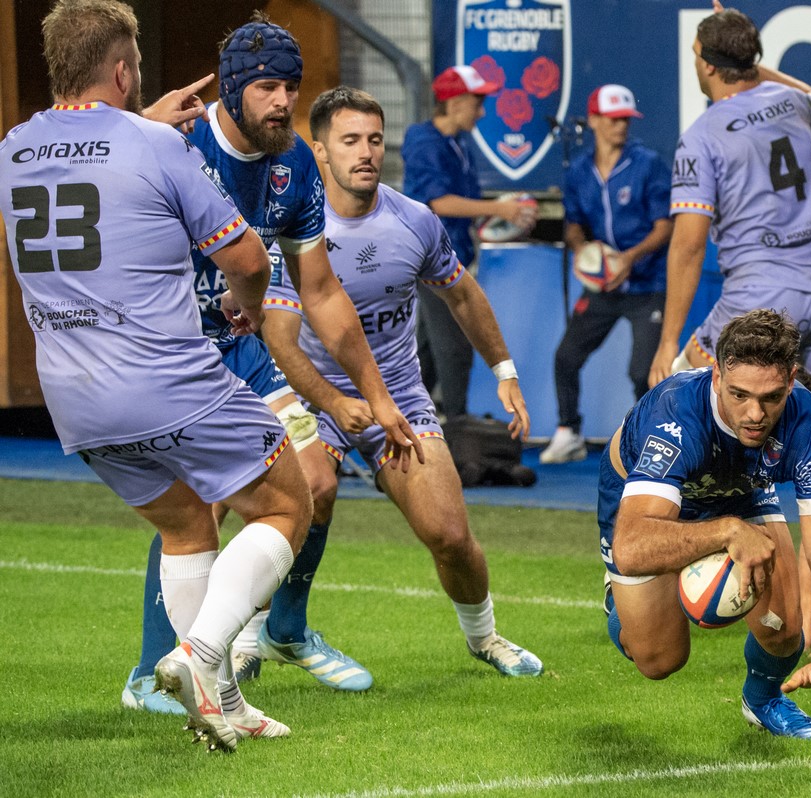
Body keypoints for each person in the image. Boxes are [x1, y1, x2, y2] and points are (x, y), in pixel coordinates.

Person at [1, 0, 328, 750]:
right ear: (122, 70)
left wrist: (136, 123)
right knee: (289, 502)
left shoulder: (15, 147)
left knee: (186, 526)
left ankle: (219, 703)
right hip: (164, 380)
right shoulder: (157, 146)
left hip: (72, 399)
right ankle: (202, 654)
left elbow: (81, 152)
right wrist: (249, 307)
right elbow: (246, 258)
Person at [121, 12, 424, 711]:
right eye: (267, 88)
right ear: (231, 90)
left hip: (238, 350)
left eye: (291, 86)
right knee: (198, 505)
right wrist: (134, 125)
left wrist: (379, 397)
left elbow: (322, 292)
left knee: (315, 480)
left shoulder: (294, 165)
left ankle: (282, 630)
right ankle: (150, 674)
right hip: (171, 352)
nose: (284, 102)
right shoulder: (175, 142)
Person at [260, 85, 543, 677]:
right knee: (307, 493)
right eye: (350, 141)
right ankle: (259, 636)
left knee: (449, 533)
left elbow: (462, 294)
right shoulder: (292, 232)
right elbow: (279, 341)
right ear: (320, 151)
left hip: (399, 399)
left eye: (374, 139)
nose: (366, 152)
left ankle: (485, 638)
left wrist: (505, 370)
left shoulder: (414, 220)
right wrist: (334, 401)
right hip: (314, 396)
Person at [602, 309, 811, 740]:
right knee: (659, 660)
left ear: (791, 380)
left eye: (771, 397)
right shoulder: (675, 415)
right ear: (717, 375)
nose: (755, 414)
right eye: (739, 394)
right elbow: (631, 547)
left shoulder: (810, 427)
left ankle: (764, 699)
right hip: (647, 507)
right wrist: (727, 532)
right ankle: (619, 602)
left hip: (742, 488)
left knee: (784, 628)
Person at [647, 4, 811, 389]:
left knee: (682, 391)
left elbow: (688, 246)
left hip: (761, 298)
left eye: (697, 54)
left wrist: (667, 342)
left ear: (709, 65)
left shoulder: (701, 137)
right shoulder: (792, 103)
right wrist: (746, 62)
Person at [539, 85, 673, 464]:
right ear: (594, 120)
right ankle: (568, 432)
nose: (621, 126)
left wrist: (629, 258)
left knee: (642, 372)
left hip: (647, 284)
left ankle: (650, 439)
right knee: (566, 356)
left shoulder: (648, 164)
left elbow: (665, 226)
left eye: (626, 119)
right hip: (603, 286)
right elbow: (574, 224)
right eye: (613, 119)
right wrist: (582, 249)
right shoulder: (579, 171)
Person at [402, 65, 539, 420]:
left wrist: (498, 215)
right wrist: (500, 210)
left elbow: (461, 205)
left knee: (428, 349)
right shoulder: (424, 141)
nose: (481, 112)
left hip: (452, 257)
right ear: (455, 103)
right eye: (477, 103)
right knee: (455, 347)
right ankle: (457, 429)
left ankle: (410, 418)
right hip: (430, 263)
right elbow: (439, 203)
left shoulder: (458, 143)